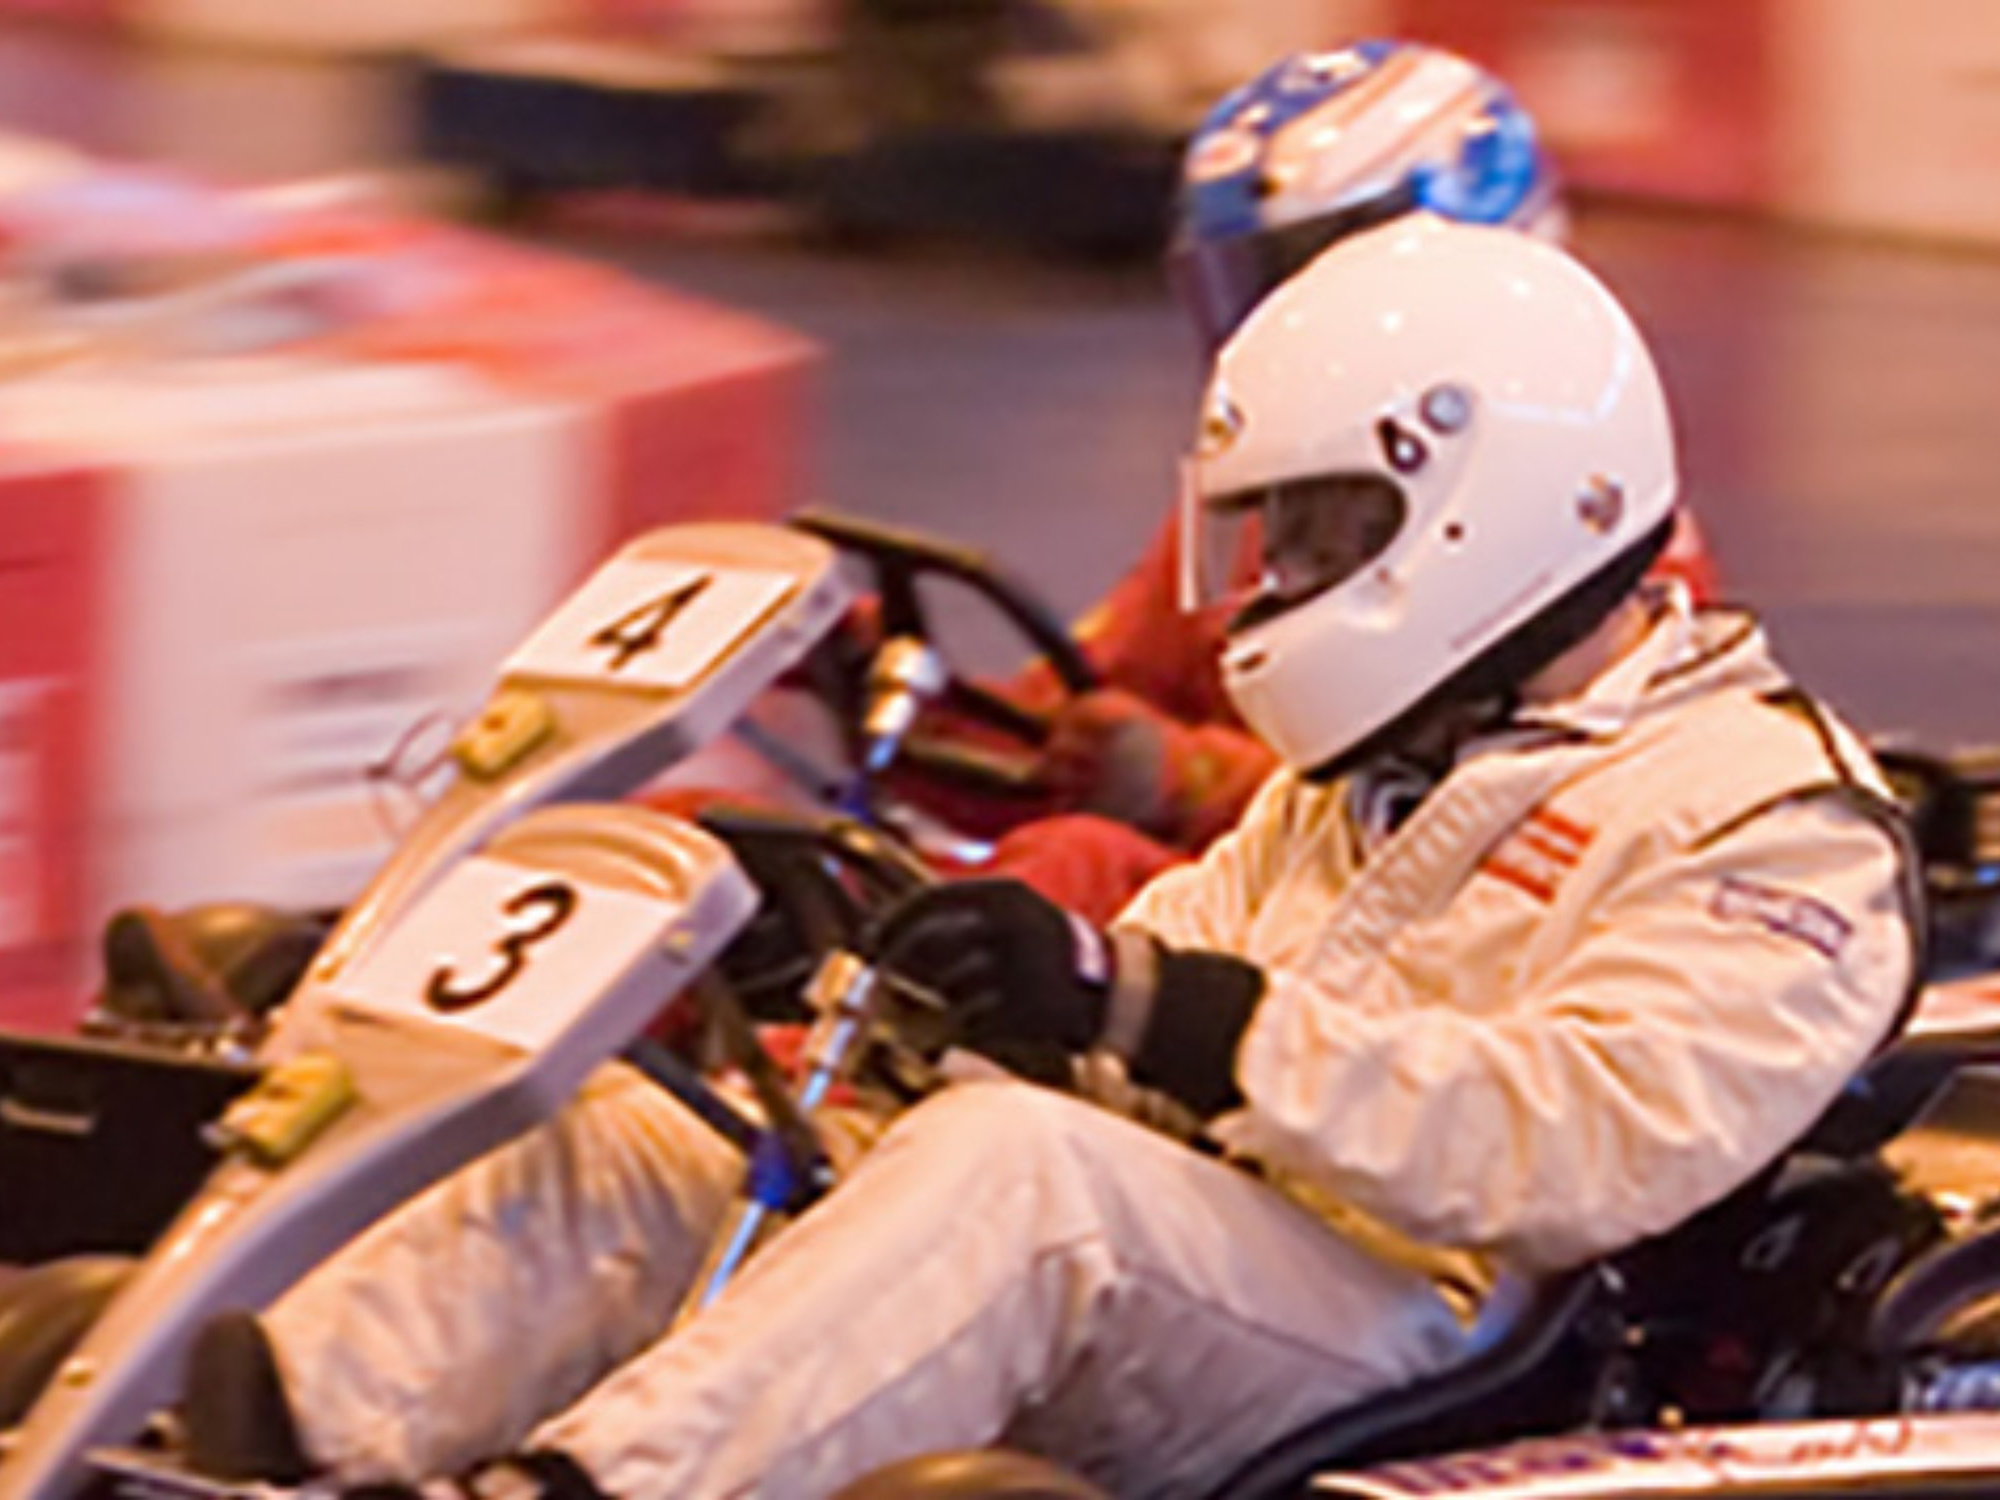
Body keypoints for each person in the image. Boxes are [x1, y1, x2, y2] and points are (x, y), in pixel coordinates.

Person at [185, 216, 1914, 1500]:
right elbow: (1138, 989)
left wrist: (1177, 1020)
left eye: (1323, 534)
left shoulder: (1770, 816)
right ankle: (246, 1432)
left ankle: (583, 1493)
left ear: (1490, 507)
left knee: (1024, 1174)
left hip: (1433, 1323)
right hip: (1209, 1241)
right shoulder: (1379, 772)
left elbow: (1573, 1145)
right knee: (669, 1134)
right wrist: (916, 976)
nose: (1277, 584)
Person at [864, 40, 1717, 921]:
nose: (1272, 327)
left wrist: (1183, 777)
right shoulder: (1253, 504)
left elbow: (1501, 822)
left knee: (1077, 866)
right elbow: (1080, 712)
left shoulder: (1594, 547)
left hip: (1418, 940)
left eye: (1298, 279)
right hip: (1253, 895)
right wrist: (892, 683)